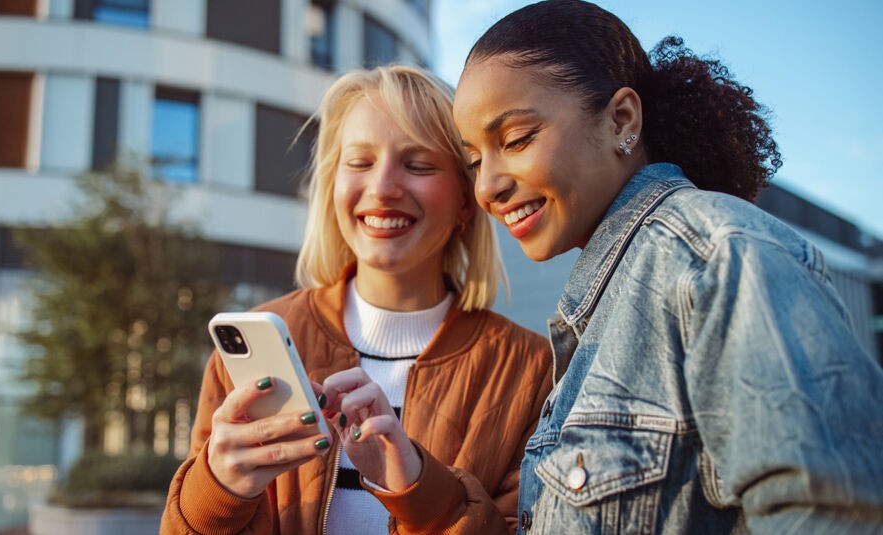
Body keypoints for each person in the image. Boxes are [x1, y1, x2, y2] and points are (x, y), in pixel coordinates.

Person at [452, 1, 883, 533]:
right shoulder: (605, 304)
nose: (486, 185)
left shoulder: (720, 258)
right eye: (474, 160)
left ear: (621, 120)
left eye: (516, 140)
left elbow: (835, 512)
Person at [160, 64, 554, 534]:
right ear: (332, 187)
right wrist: (217, 491)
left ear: (467, 201)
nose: (383, 188)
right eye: (360, 162)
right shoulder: (254, 339)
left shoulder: (529, 370)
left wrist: (417, 488)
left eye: (418, 164)